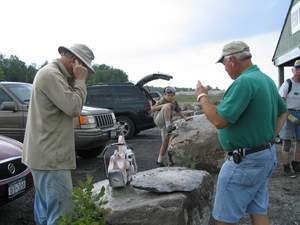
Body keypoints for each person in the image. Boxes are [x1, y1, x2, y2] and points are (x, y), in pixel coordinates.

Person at [195, 41, 287, 225]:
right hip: (265, 156)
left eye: (224, 64)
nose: (225, 69)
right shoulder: (265, 79)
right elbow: (283, 110)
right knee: (258, 211)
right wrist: (269, 138)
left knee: (224, 219)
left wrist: (202, 97)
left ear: (231, 60)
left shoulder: (244, 82)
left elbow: (219, 120)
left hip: (244, 162)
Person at [22, 43, 95, 225]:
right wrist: (80, 81)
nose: (84, 72)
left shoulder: (55, 74)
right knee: (61, 216)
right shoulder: (51, 74)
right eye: (84, 67)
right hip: (51, 159)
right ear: (75, 61)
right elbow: (74, 107)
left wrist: (74, 80)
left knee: (46, 213)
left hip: (44, 156)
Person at [151, 86, 190, 167]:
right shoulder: (162, 100)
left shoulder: (174, 102)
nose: (170, 97)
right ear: (165, 95)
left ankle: (160, 161)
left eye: (172, 95)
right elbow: (152, 109)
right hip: (159, 120)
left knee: (166, 142)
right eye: (168, 95)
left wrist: (186, 118)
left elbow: (179, 111)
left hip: (166, 123)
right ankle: (169, 126)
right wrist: (163, 106)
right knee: (167, 105)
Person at [278, 59, 300, 178]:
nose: (299, 71)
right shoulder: (288, 83)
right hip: (287, 114)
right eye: (297, 68)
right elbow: (281, 101)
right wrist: (288, 115)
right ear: (293, 70)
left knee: (299, 142)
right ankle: (286, 167)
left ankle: (296, 164)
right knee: (287, 142)